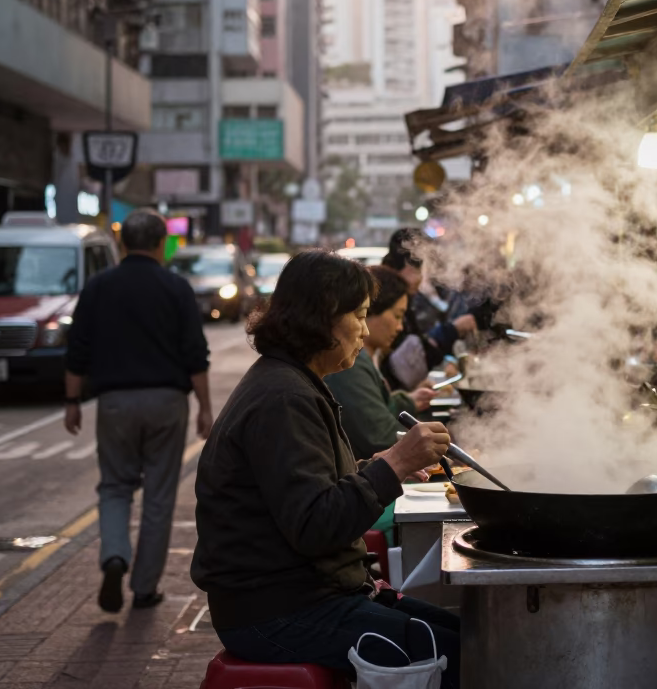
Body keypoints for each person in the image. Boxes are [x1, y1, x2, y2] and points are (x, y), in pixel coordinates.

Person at [191, 250, 460, 685]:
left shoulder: (293, 382)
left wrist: (372, 468)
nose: (365, 330)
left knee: (466, 634)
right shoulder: (284, 397)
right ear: (322, 318)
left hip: (309, 594)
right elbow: (315, 525)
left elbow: (302, 489)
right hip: (275, 610)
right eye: (358, 314)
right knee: (456, 654)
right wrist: (392, 465)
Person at [64, 209, 212, 613]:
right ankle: (144, 588)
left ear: (123, 244)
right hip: (167, 401)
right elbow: (195, 354)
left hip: (114, 402)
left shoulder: (98, 287)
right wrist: (205, 407)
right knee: (159, 497)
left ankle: (114, 555)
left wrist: (73, 401)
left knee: (114, 486)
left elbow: (77, 349)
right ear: (162, 244)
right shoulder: (176, 288)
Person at [326, 266, 436, 461]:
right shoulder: (350, 364)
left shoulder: (363, 358)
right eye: (397, 315)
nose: (400, 326)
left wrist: (408, 402)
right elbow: (379, 437)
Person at [382, 229, 476, 390]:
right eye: (419, 270)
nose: (422, 278)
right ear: (408, 264)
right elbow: (401, 357)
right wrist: (451, 331)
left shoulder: (405, 296)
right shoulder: (386, 299)